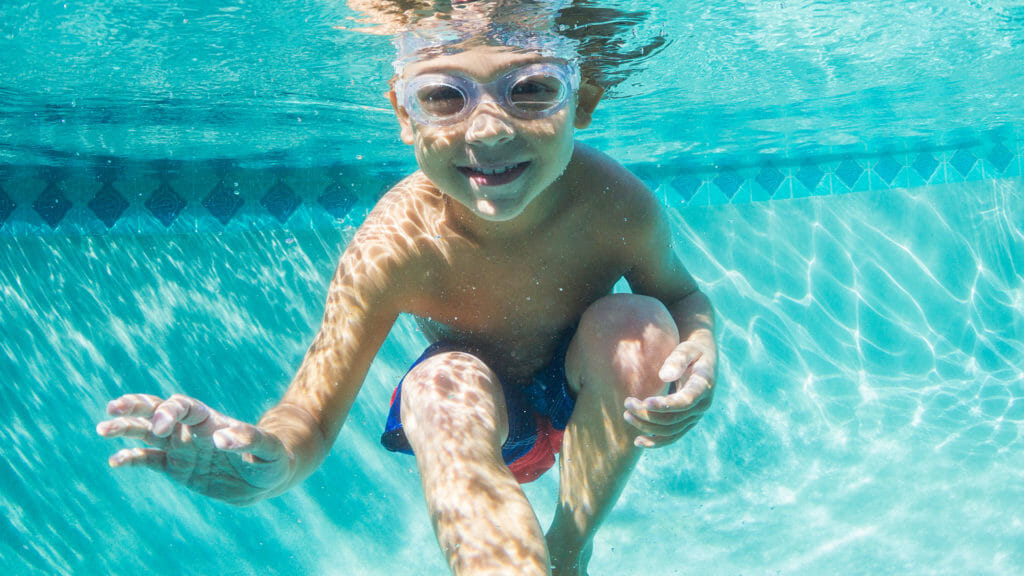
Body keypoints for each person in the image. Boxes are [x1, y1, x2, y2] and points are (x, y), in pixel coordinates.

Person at [97, 19, 716, 576]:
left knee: (639, 324)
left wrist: (701, 349)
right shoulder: (393, 243)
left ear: (580, 102)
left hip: (596, 407)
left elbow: (681, 296)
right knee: (439, 386)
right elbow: (310, 413)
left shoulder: (617, 205)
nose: (489, 127)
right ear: (404, 114)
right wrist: (274, 462)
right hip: (485, 429)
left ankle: (569, 552)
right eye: (443, 97)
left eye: (530, 89)